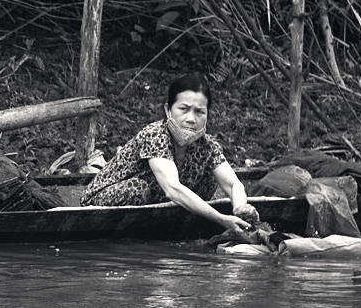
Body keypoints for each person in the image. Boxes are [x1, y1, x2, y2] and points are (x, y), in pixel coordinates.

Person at [80, 72, 259, 235]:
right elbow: (172, 189)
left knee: (210, 178)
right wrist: (221, 219)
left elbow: (233, 184)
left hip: (154, 203)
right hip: (105, 198)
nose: (191, 119)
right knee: (138, 189)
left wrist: (240, 208)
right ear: (168, 110)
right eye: (184, 109)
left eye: (199, 112)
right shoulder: (154, 135)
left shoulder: (207, 145)